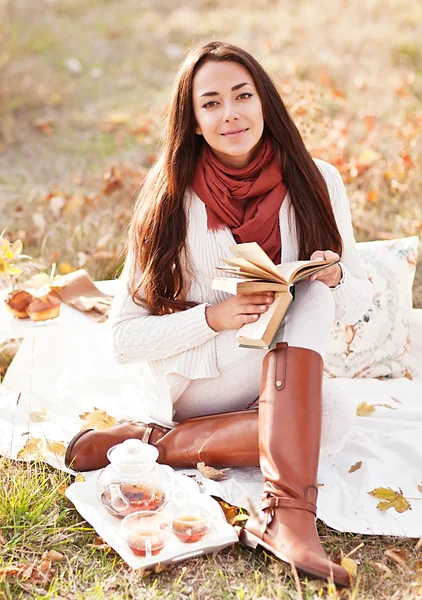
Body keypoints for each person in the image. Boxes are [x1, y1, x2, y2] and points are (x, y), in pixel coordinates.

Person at [65, 41, 372, 586]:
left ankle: (155, 445)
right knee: (309, 318)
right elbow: (123, 339)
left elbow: (354, 306)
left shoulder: (318, 180)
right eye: (211, 103)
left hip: (275, 376)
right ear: (195, 121)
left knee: (337, 412)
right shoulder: (170, 196)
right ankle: (287, 517)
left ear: (264, 102)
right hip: (201, 374)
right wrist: (214, 318)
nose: (230, 113)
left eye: (242, 95)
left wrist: (335, 275)